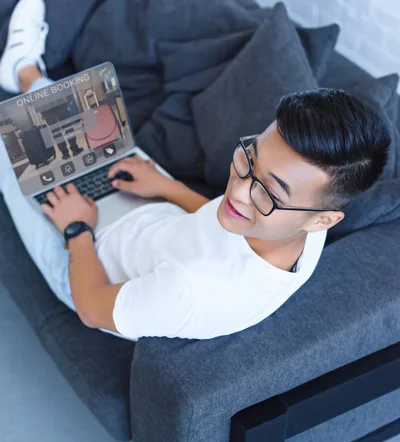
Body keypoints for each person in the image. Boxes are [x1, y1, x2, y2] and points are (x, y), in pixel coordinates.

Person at [0, 0, 391, 342]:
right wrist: (166, 187)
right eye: (248, 159)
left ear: (324, 221)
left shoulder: (192, 292)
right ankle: (23, 71)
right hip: (154, 219)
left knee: (8, 148)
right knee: (94, 128)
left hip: (91, 263)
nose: (236, 192)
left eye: (268, 194)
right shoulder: (296, 223)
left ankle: (24, 74)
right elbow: (220, 227)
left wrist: (77, 229)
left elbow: (92, 307)